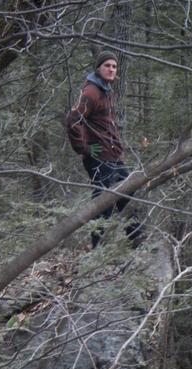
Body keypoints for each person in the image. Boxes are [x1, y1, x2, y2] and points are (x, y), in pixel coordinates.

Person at [66, 50, 141, 248]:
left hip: (113, 157)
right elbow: (72, 119)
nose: (111, 69)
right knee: (103, 207)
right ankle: (96, 254)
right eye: (107, 65)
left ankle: (138, 246)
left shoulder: (108, 90)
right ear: (98, 68)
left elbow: (108, 125)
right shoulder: (92, 92)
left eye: (114, 66)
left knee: (128, 199)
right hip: (99, 159)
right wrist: (84, 148)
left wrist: (118, 153)